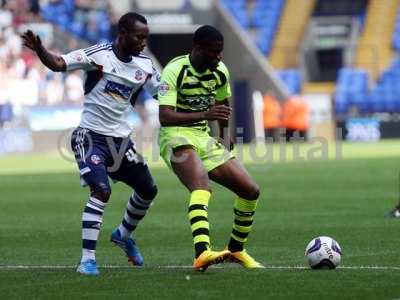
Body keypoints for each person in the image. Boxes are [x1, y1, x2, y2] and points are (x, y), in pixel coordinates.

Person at [21, 12, 160, 276]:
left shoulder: (145, 66)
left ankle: (123, 234)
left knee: (148, 190)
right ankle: (87, 260)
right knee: (101, 191)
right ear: (122, 34)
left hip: (121, 143)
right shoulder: (99, 55)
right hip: (90, 137)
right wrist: (40, 48)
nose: (143, 42)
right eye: (139, 37)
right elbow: (59, 63)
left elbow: (163, 94)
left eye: (146, 38)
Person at [158, 25, 264, 271]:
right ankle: (202, 253)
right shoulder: (174, 71)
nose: (219, 57)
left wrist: (225, 135)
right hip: (175, 135)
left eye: (221, 52)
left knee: (250, 190)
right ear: (197, 49)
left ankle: (236, 250)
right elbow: (165, 117)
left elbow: (222, 103)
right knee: (201, 186)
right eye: (214, 52)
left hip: (203, 137)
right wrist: (205, 113)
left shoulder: (219, 71)